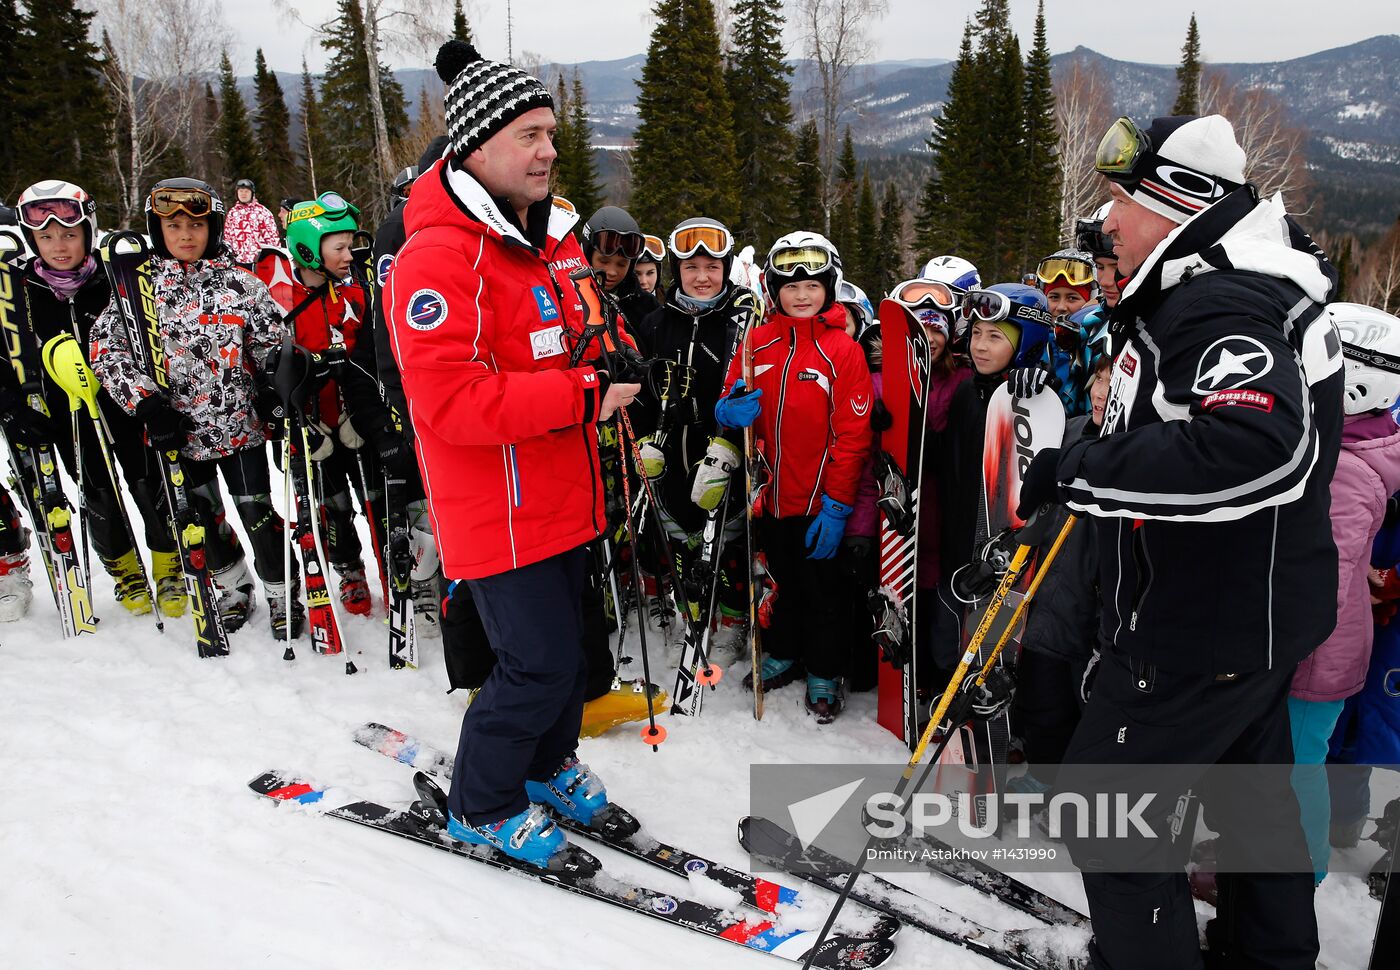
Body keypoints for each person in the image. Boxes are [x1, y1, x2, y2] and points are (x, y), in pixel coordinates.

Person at [1016, 114, 1344, 970]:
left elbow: (1255, 447)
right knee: (1251, 809)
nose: (1106, 223)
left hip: (1194, 629)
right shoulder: (1224, 285)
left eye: (1120, 201)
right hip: (1250, 621)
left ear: (1178, 202)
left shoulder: (1224, 301)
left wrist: (1076, 471)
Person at [384, 41, 642, 868]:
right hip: (496, 510)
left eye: (552, 135)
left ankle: (544, 765)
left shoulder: (541, 237)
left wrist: (611, 354)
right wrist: (581, 394)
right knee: (532, 668)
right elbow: (449, 402)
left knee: (569, 658)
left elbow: (567, 335)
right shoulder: (439, 256)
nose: (549, 151)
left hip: (564, 493)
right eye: (530, 135)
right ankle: (483, 803)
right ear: (478, 145)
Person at [90, 177, 301, 639]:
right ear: (157, 229)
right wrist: (146, 405)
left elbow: (272, 344)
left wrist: (272, 390)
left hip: (240, 428)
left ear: (215, 227)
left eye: (197, 225)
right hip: (179, 434)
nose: (186, 235)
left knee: (257, 512)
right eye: (175, 225)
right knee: (203, 518)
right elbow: (107, 350)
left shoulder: (242, 284)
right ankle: (232, 586)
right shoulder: (136, 292)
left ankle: (282, 589)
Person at [2, 180, 185, 618]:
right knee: (96, 491)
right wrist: (10, 406)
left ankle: (168, 567)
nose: (59, 245)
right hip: (61, 410)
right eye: (46, 237)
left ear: (87, 232)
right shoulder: (18, 290)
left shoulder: (111, 279)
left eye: (69, 233)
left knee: (148, 482)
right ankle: (125, 571)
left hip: (122, 402)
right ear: (32, 240)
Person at [716, 231, 873, 721]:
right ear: (774, 290)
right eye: (789, 286)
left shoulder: (841, 350)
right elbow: (731, 395)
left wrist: (839, 504)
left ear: (830, 287)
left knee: (825, 589)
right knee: (780, 583)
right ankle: (783, 651)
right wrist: (730, 409)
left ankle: (824, 669)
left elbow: (853, 435)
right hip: (770, 497)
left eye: (812, 285)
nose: (801, 295)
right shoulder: (756, 343)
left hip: (820, 502)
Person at [1287, 302, 1400, 884]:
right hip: (1316, 640)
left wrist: (1283, 642)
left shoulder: (1350, 467)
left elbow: (1327, 572)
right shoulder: (1344, 445)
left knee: (1297, 764)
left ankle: (1297, 871)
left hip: (1314, 650)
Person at [256, 190, 397, 615]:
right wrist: (292, 423)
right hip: (311, 427)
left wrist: (366, 411)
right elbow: (267, 373)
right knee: (332, 506)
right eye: (339, 246)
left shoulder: (354, 297)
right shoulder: (277, 301)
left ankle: (393, 565)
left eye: (351, 244)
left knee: (376, 496)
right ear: (308, 247)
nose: (349, 254)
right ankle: (349, 569)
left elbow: (368, 360)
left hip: (355, 421)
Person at [631, 217, 758, 659]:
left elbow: (749, 392)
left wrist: (731, 448)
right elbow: (645, 394)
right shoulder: (655, 324)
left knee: (725, 539)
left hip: (723, 451)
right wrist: (645, 443)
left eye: (712, 267)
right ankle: (693, 610)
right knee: (682, 533)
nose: (702, 277)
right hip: (673, 451)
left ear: (725, 268)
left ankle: (731, 620)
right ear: (677, 272)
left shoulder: (738, 324)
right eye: (691, 268)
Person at [1035, 248, 1100, 416]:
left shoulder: (1098, 347)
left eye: (1072, 298)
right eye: (1054, 297)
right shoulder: (1033, 344)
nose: (1062, 307)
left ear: (1091, 300)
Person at [580, 205, 657, 328]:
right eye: (604, 261)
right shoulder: (569, 297)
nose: (612, 272)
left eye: (622, 264)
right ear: (587, 256)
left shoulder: (646, 306)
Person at [224, 179, 281, 266]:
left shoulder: (262, 212)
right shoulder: (232, 213)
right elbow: (227, 237)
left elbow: (272, 237)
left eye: (246, 191)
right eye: (241, 191)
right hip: (238, 262)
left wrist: (273, 258)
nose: (243, 194)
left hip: (258, 261)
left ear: (252, 193)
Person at [634, 233, 664, 299]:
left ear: (658, 274)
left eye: (650, 273)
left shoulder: (670, 302)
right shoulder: (614, 305)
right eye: (636, 274)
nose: (644, 281)